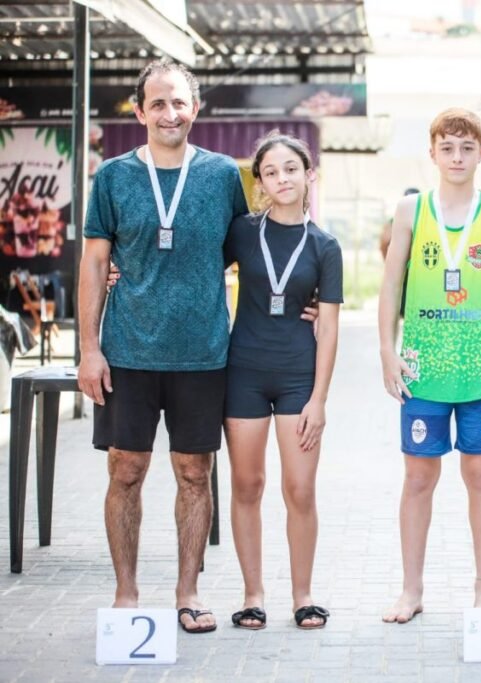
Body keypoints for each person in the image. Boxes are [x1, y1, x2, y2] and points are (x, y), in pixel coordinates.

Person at [78, 59, 248, 634]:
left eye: (179, 102)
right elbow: (96, 261)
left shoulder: (224, 175)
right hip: (127, 351)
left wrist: (305, 297)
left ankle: (189, 591)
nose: (169, 113)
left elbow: (242, 251)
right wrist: (88, 348)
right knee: (125, 470)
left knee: (194, 473)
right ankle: (126, 593)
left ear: (195, 108)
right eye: (157, 103)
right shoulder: (115, 176)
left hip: (202, 352)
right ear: (139, 111)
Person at [378, 108, 481, 623]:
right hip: (423, 369)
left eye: (466, 148)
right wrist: (387, 350)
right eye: (447, 148)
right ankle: (411, 590)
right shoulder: (412, 211)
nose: (457, 157)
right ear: (432, 153)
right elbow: (391, 284)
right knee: (418, 479)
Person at [224, 131, 342, 630]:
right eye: (270, 172)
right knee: (247, 485)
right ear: (261, 182)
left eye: (291, 169)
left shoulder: (325, 245)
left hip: (298, 376)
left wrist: (319, 399)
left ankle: (303, 595)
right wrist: (122, 271)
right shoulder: (242, 232)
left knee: (300, 489)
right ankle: (253, 594)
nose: (282, 178)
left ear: (309, 174)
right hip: (244, 373)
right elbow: (191, 268)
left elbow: (330, 325)